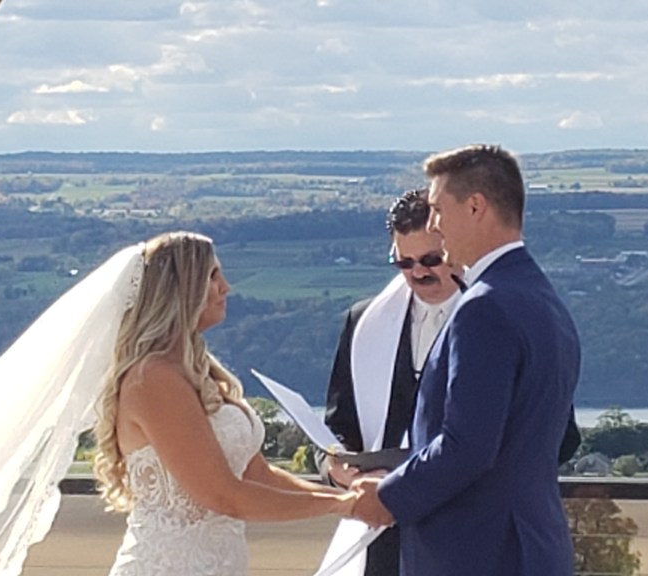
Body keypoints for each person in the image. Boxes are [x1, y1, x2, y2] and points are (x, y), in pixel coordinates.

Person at [350, 145, 582, 576]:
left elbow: (468, 446)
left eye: (438, 210)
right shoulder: (541, 296)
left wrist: (389, 496)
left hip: (479, 553)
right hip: (532, 546)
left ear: (476, 206)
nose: (434, 226)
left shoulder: (484, 307)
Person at [93, 231, 355, 576]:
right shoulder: (152, 378)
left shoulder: (197, 368)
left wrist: (343, 497)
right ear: (181, 289)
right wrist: (341, 505)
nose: (226, 287)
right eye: (212, 276)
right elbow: (223, 496)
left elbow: (256, 474)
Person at [320, 188, 463, 576]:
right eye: (404, 262)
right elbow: (339, 425)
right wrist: (336, 467)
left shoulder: (497, 320)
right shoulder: (364, 322)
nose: (418, 272)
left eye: (431, 260)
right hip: (382, 539)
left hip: (468, 532)